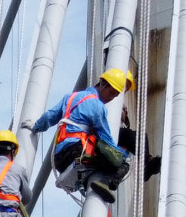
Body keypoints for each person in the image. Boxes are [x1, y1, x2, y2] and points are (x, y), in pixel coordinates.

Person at [25, 69, 132, 197]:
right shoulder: (98, 106)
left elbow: (50, 116)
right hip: (77, 152)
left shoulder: (71, 97)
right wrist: (121, 156)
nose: (111, 98)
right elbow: (106, 137)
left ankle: (86, 183)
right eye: (111, 93)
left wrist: (36, 126)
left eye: (115, 96)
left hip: (59, 157)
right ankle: (105, 184)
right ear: (103, 84)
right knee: (121, 163)